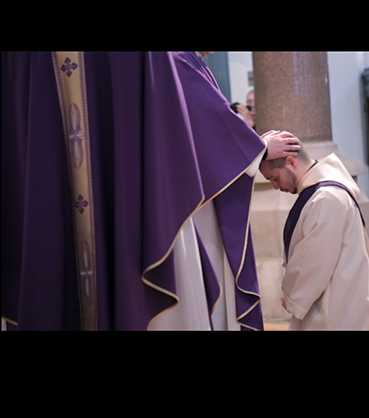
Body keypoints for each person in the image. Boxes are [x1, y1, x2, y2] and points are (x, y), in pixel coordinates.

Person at [1, 51, 300, 331]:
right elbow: (205, 124)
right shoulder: (175, 59)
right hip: (171, 204)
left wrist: (256, 147)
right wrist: (259, 148)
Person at [259, 146, 369, 330]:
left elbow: (314, 260)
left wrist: (294, 296)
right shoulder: (320, 193)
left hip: (337, 310)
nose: (275, 186)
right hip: (338, 302)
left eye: (274, 178)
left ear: (291, 162)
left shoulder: (326, 197)